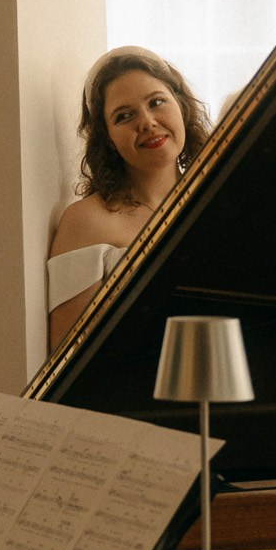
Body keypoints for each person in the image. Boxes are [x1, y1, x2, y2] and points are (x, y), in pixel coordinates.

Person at [46, 46, 211, 349]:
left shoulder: (217, 198)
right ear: (107, 138)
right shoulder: (86, 221)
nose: (147, 122)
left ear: (182, 106)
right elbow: (65, 354)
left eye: (156, 102)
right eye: (124, 116)